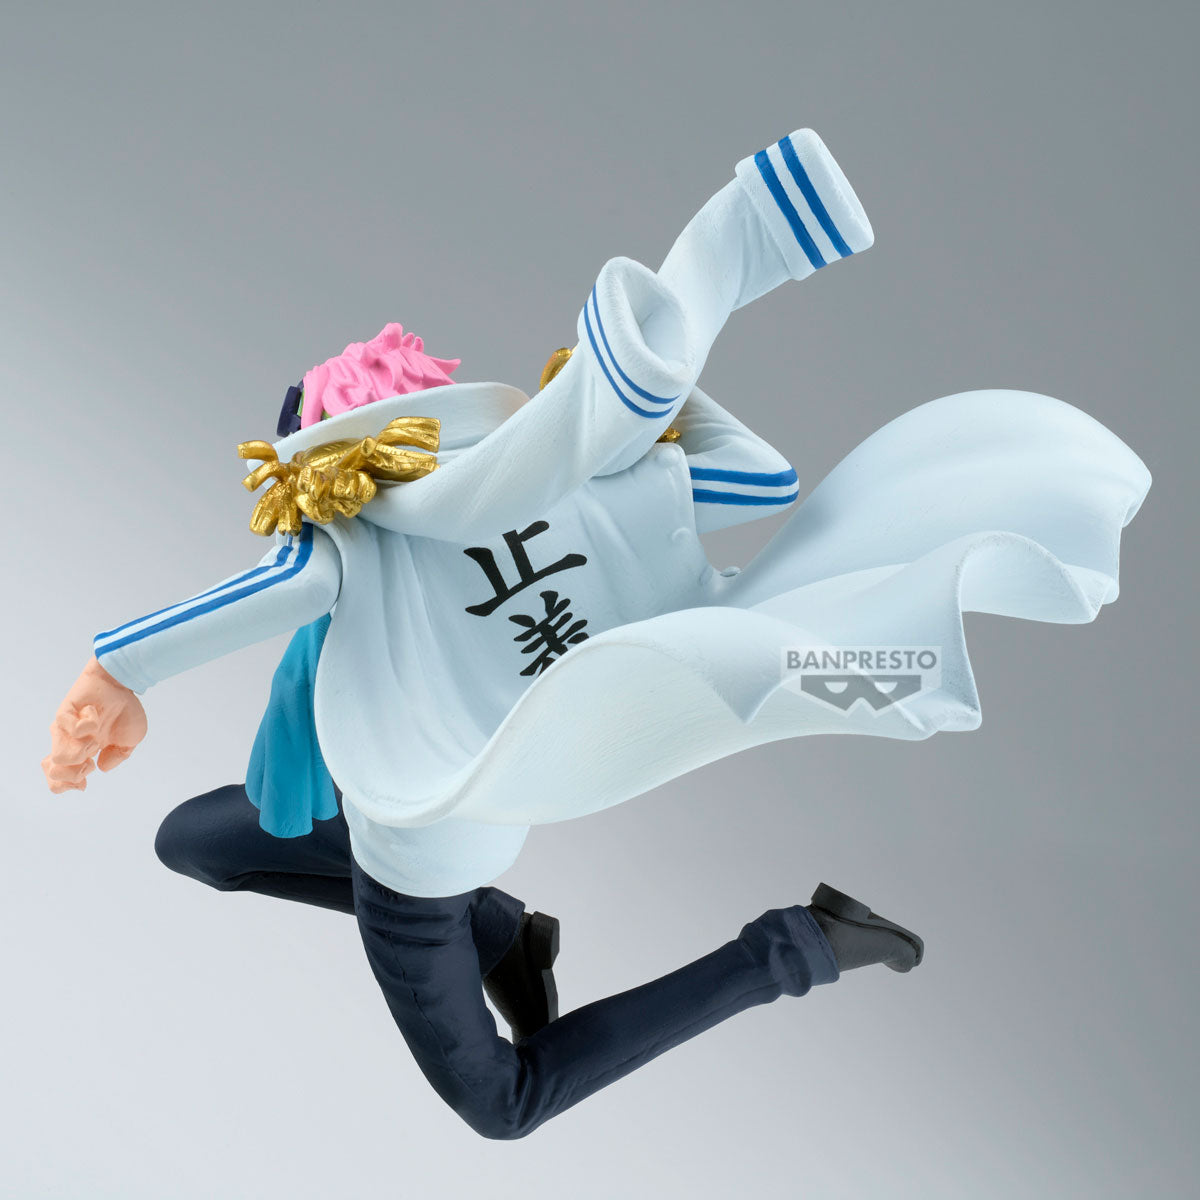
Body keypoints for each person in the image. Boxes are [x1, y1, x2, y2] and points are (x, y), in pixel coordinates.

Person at [43, 126, 1148, 1137]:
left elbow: (262, 587)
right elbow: (762, 478)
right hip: (418, 793)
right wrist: (615, 428)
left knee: (506, 1103)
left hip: (420, 862)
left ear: (324, 466)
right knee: (192, 841)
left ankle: (796, 946)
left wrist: (113, 675)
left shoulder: (353, 542)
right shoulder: (556, 486)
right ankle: (505, 934)